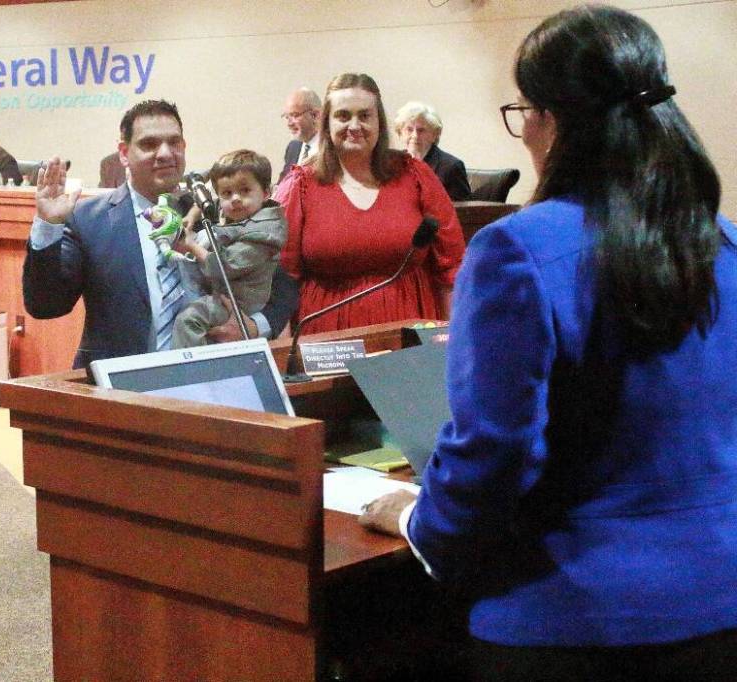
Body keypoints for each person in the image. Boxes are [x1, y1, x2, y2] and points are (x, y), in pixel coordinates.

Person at [359, 6, 737, 680]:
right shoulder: (726, 241)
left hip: (573, 618)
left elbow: (496, 452)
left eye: (522, 109)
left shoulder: (518, 250)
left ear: (551, 118)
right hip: (719, 604)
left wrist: (421, 522)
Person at [22, 99, 298, 368]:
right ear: (123, 153)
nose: (165, 153)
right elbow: (46, 306)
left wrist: (254, 325)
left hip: (211, 381)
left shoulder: (211, 212)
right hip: (123, 390)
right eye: (149, 144)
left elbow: (281, 286)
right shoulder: (89, 219)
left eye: (174, 142)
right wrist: (48, 225)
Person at [274, 73, 465, 334]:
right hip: (328, 343)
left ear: (380, 123)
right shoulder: (300, 186)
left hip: (412, 340)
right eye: (343, 116)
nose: (354, 125)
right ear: (326, 123)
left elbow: (451, 267)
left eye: (364, 116)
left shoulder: (415, 175)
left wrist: (453, 341)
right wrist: (284, 358)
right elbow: (281, 279)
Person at [170, 149, 287, 348]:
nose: (235, 198)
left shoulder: (264, 232)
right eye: (227, 193)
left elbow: (224, 266)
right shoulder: (243, 217)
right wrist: (191, 216)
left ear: (266, 192)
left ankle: (193, 372)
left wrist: (190, 245)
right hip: (223, 294)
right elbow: (211, 201)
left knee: (189, 320)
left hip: (240, 302)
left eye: (244, 190)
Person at [393, 101, 471, 201]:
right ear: (400, 133)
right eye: (409, 129)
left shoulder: (451, 167)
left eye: (421, 130)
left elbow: (463, 212)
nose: (415, 136)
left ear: (434, 135)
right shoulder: (392, 164)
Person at [279, 87, 321, 183]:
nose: (289, 123)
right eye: (286, 117)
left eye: (294, 115)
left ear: (315, 115)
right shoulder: (293, 147)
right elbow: (281, 186)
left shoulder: (332, 149)